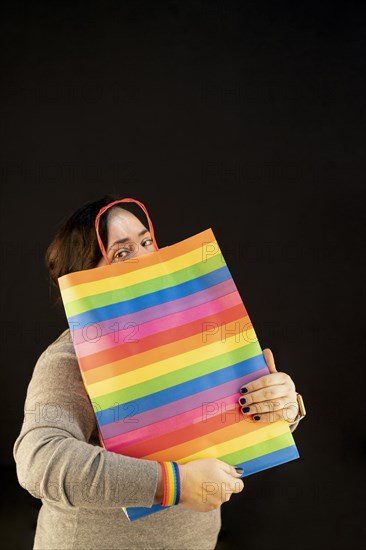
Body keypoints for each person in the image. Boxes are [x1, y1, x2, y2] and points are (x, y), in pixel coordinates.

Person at [13, 194, 302, 550]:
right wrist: (174, 484)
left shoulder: (195, 332)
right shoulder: (68, 358)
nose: (147, 257)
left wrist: (281, 410)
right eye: (122, 252)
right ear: (84, 279)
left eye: (147, 242)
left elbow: (228, 426)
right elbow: (39, 461)